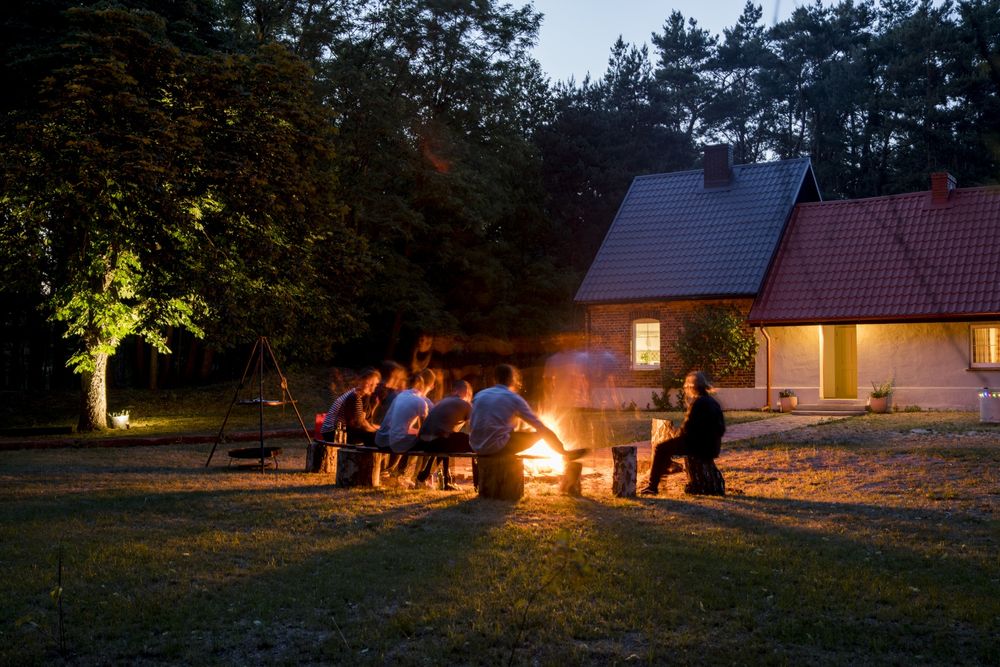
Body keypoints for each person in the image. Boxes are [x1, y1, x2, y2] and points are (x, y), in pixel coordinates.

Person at [640, 371, 725, 496]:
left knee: (660, 448)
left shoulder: (697, 403)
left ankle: (652, 486)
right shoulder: (713, 402)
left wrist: (674, 435)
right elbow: (721, 429)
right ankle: (665, 469)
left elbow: (686, 430)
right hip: (712, 447)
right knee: (668, 447)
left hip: (699, 447)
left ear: (692, 387)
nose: (686, 389)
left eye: (686, 386)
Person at [469, 364, 582, 459]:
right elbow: (540, 427)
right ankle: (565, 454)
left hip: (475, 446)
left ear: (495, 379)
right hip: (497, 448)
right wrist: (562, 451)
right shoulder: (513, 398)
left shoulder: (480, 395)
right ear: (511, 380)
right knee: (540, 433)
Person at [375, 369, 436, 477]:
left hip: (381, 438)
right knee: (429, 442)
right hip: (393, 442)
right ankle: (416, 477)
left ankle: (392, 471)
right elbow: (424, 432)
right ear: (432, 386)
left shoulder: (401, 395)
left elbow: (398, 424)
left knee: (407, 436)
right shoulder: (421, 402)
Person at [414, 380, 474, 489]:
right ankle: (476, 484)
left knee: (448, 437)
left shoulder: (443, 401)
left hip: (422, 442)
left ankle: (442, 479)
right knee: (470, 441)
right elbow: (475, 426)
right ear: (467, 393)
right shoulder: (465, 404)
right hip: (437, 442)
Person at [320, 367, 381, 447]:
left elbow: (364, 421)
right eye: (370, 384)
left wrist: (378, 429)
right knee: (375, 438)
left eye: (374, 385)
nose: (373, 389)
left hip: (339, 431)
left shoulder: (359, 396)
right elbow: (359, 423)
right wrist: (377, 431)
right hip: (333, 432)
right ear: (361, 381)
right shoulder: (354, 396)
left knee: (375, 436)